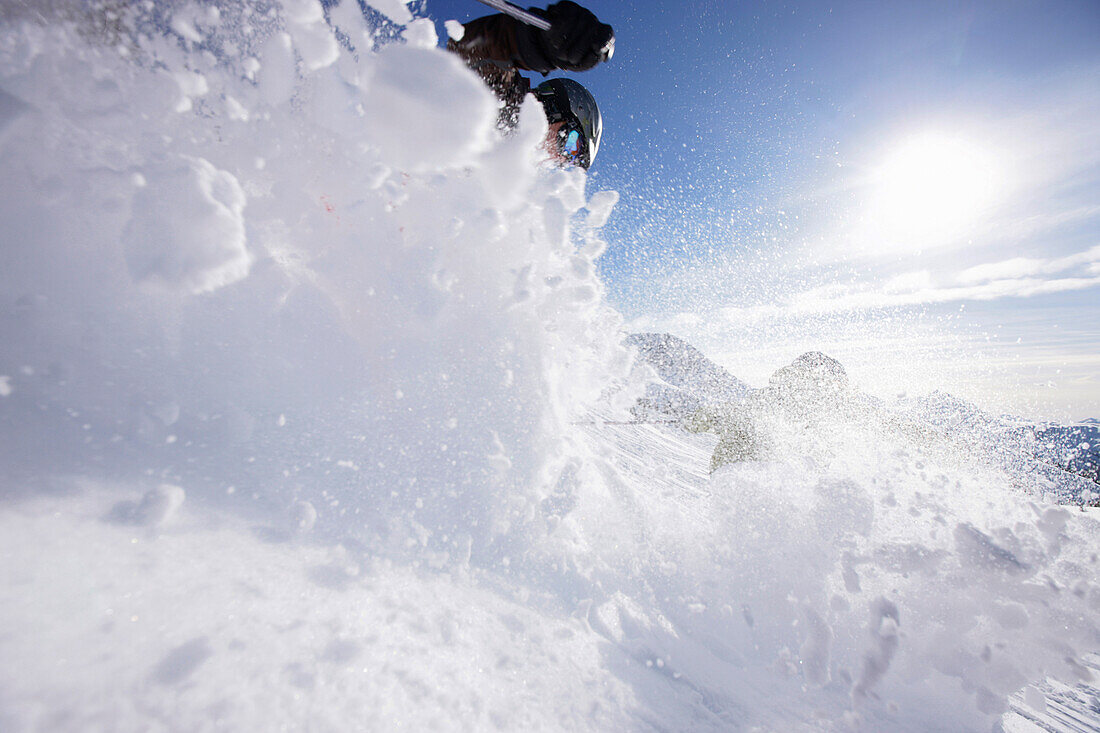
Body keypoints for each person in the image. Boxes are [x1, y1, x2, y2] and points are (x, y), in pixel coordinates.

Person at [447, 1, 614, 169]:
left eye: (569, 158)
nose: (558, 157)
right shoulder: (504, 105)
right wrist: (539, 46)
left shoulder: (510, 171)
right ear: (553, 109)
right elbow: (469, 51)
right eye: (570, 143)